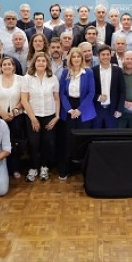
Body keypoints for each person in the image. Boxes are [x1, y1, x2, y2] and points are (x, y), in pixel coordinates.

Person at [58, 48, 96, 180]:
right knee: (68, 140)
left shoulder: (88, 72)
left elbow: (91, 93)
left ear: (82, 58)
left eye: (78, 56)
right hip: (68, 108)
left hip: (84, 108)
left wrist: (79, 110)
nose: (76, 59)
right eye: (73, 57)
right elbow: (62, 93)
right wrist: (69, 110)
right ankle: (67, 169)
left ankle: (86, 169)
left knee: (83, 140)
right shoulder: (65, 72)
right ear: (70, 59)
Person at [21, 52, 60, 182]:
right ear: (34, 63)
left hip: (49, 115)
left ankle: (44, 167)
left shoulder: (53, 78)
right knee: (33, 143)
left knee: (47, 142)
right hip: (33, 115)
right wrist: (33, 118)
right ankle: (33, 168)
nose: (41, 63)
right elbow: (24, 100)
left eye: (43, 61)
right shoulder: (27, 78)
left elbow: (56, 98)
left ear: (47, 63)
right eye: (38, 61)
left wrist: (57, 116)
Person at [0, 56, 25, 179]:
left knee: (14, 143)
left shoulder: (21, 79)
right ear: (1, 67)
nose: (7, 66)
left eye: (9, 64)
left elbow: (24, 98)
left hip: (16, 116)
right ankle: (1, 169)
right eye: (4, 64)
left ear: (13, 66)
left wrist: (14, 111)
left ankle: (15, 168)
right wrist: (2, 113)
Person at [92, 45, 126, 129]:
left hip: (112, 110)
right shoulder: (93, 71)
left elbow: (122, 91)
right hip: (97, 109)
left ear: (111, 55)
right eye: (103, 55)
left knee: (111, 134)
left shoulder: (118, 70)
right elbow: (90, 91)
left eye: (108, 54)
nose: (106, 57)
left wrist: (119, 109)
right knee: (95, 134)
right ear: (98, 56)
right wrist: (98, 97)